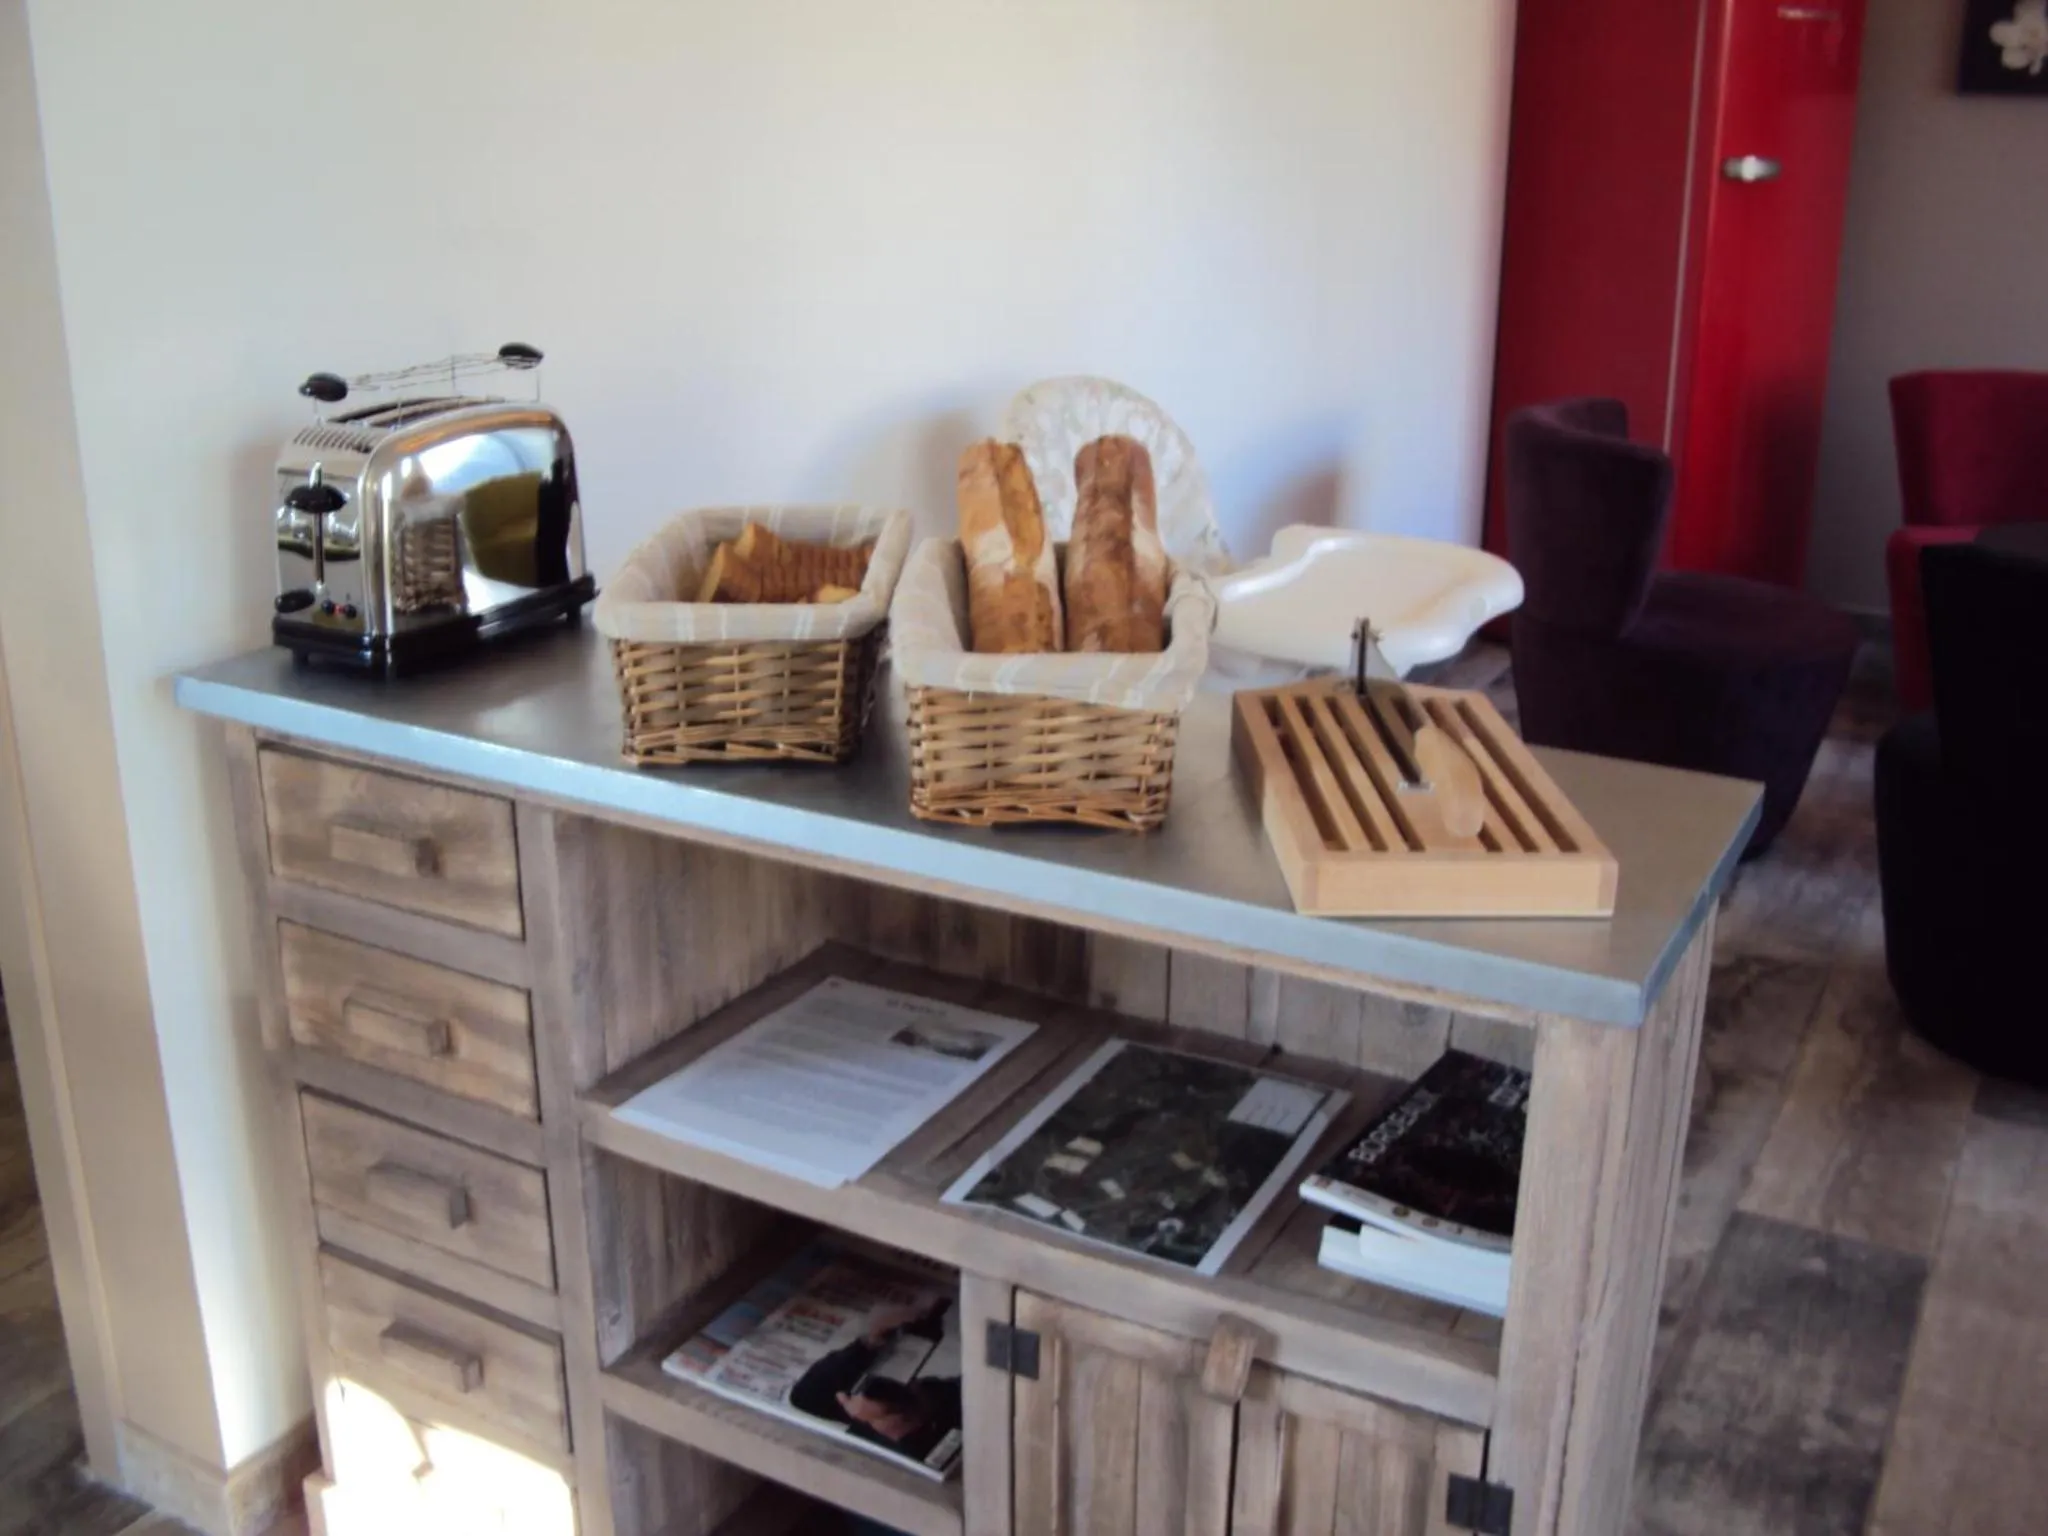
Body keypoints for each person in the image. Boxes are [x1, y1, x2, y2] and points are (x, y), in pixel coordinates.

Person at [787, 1298, 962, 1467]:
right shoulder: (922, 1394)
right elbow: (807, 1397)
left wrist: (906, 1431)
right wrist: (866, 1345)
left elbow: (939, 1471)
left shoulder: (960, 1415)